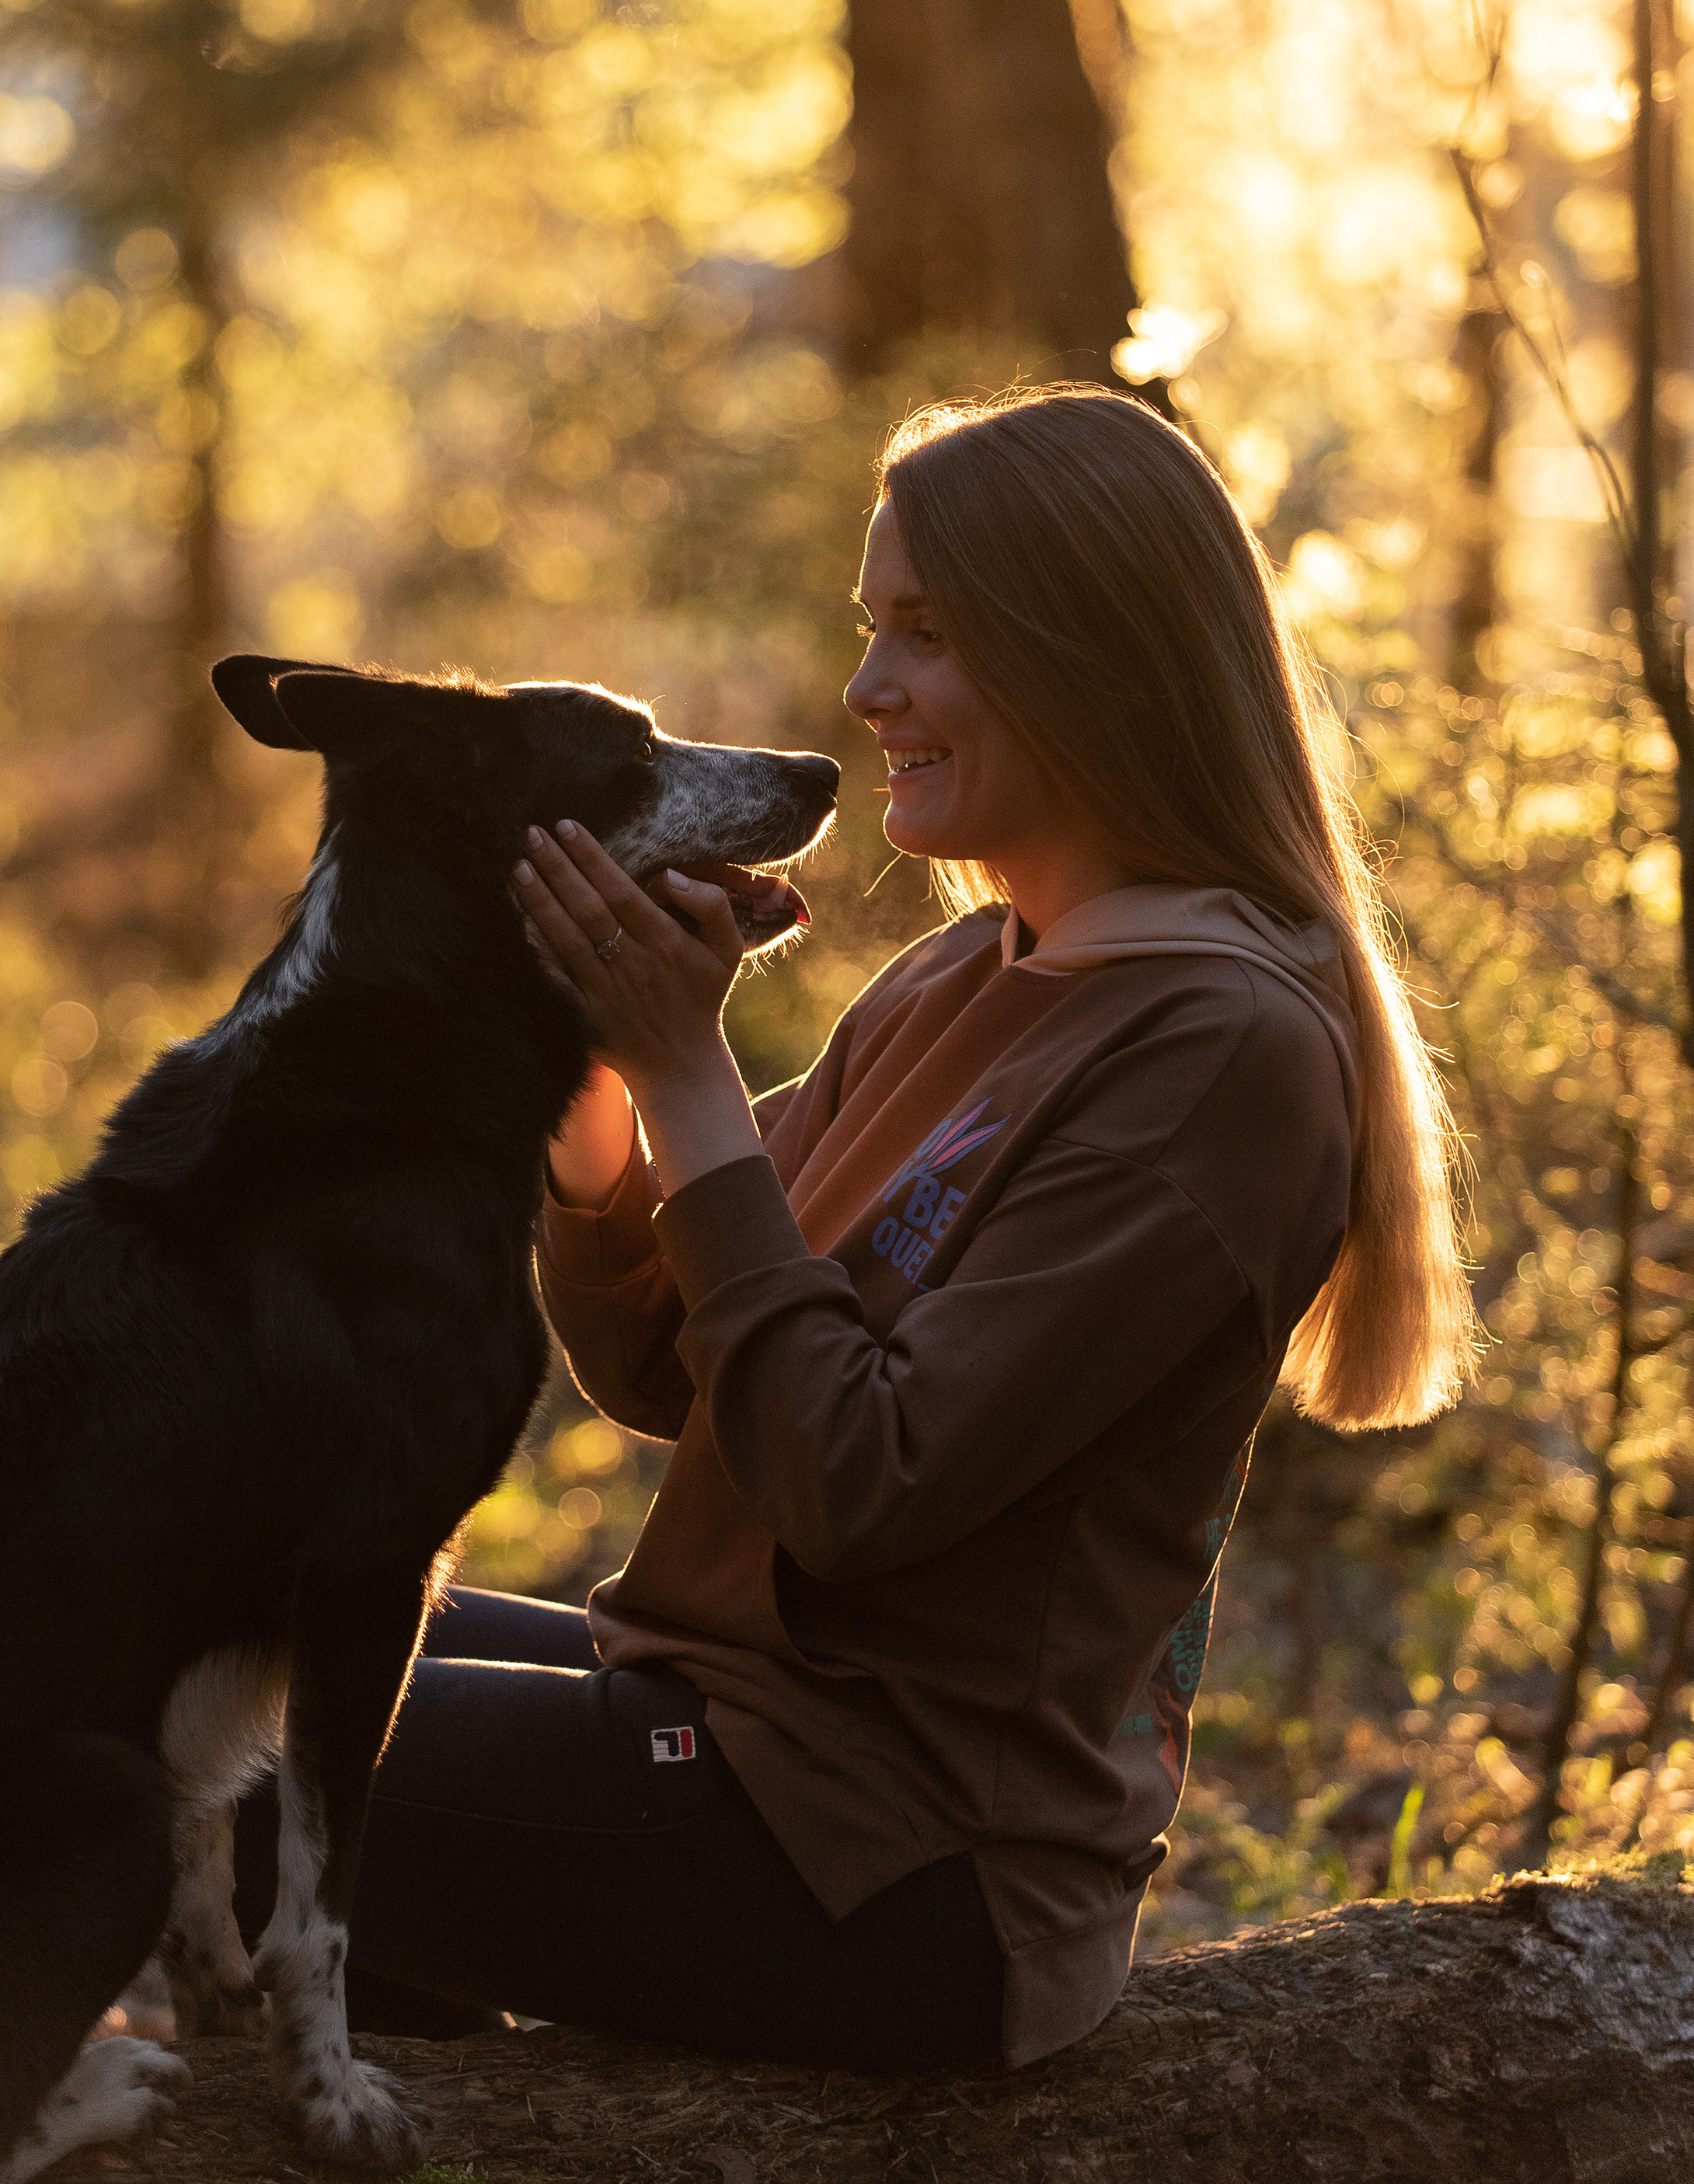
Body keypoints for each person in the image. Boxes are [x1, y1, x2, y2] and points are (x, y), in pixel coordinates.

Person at [234, 385, 1473, 2071]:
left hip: (898, 1863)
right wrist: (604, 1084)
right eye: (870, 628)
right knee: (228, 1624)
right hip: (728, 1728)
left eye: (927, 636)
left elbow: (854, 1481)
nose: (865, 691)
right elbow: (674, 1365)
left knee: (226, 1763)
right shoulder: (975, 965)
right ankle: (423, 2163)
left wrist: (690, 1071)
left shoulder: (1216, 1048)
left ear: (1095, 655)